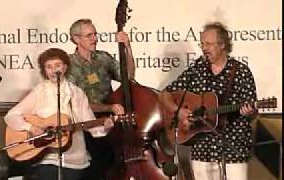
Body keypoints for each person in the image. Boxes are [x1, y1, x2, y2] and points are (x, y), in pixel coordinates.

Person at [159, 22, 258, 180]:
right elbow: (165, 94)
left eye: (209, 44)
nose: (204, 48)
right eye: (202, 44)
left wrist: (250, 111)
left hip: (233, 148)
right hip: (202, 150)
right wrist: (178, 112)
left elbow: (251, 111)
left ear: (222, 44)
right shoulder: (197, 70)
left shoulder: (240, 71)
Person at [4, 48, 116, 180]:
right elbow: (11, 116)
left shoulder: (77, 93)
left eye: (57, 65)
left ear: (65, 67)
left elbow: (91, 125)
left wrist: (106, 126)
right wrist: (32, 128)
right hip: (46, 158)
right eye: (49, 67)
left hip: (74, 159)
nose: (53, 70)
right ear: (44, 70)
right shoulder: (40, 91)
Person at [66, 18, 135, 179]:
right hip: (87, 123)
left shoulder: (103, 58)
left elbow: (128, 76)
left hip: (111, 121)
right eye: (89, 35)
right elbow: (76, 103)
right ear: (76, 39)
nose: (95, 39)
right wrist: (108, 108)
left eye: (95, 34)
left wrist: (127, 47)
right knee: (97, 164)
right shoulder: (70, 64)